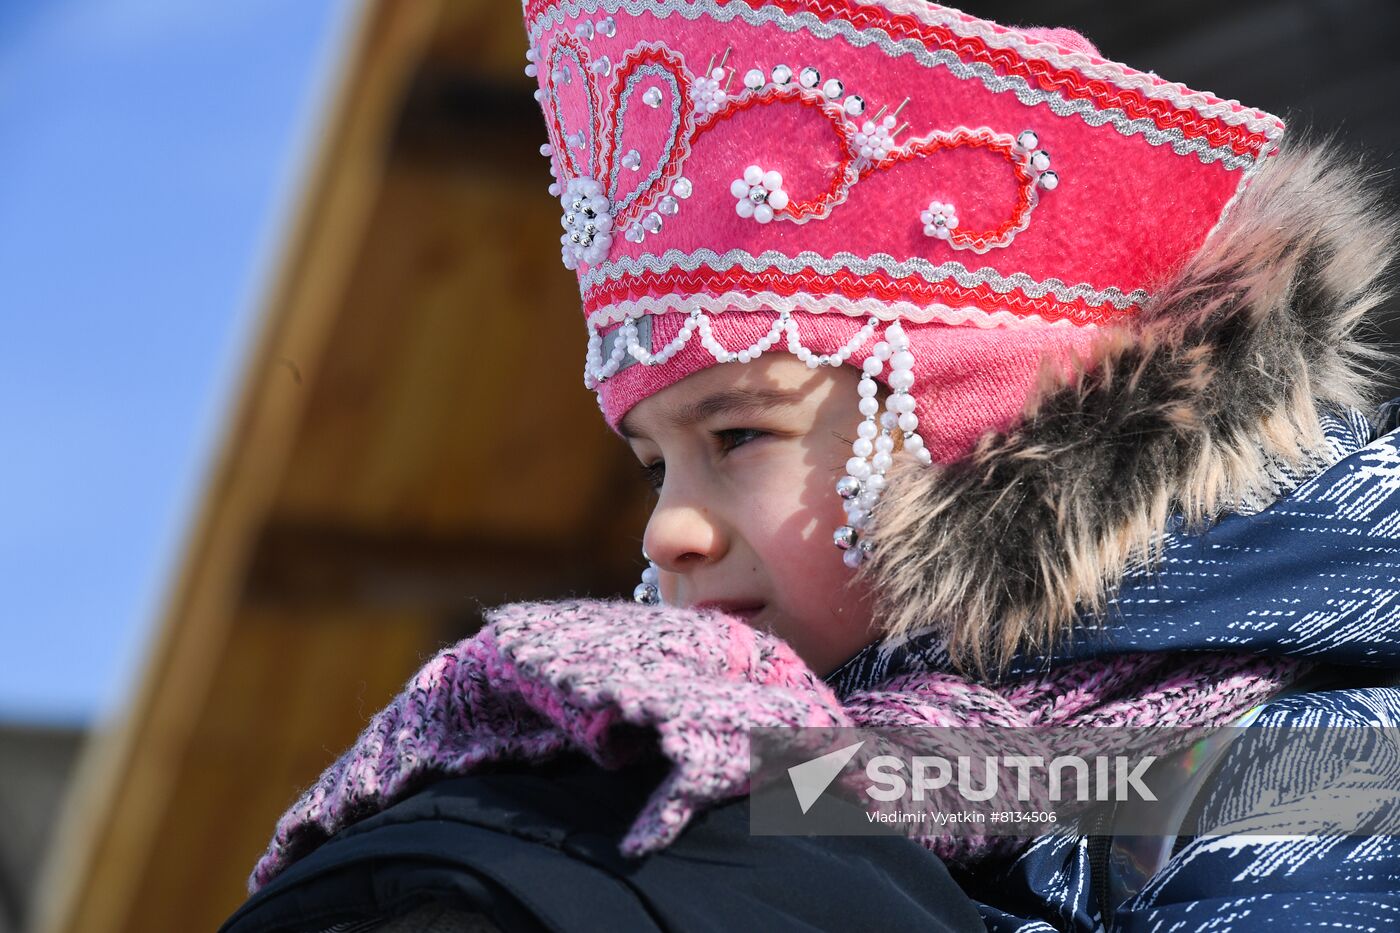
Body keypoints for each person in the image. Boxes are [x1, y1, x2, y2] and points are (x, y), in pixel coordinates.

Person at [221, 1, 1400, 930]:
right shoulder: (828, 774)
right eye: (652, 467)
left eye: (735, 437)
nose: (666, 531)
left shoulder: (1322, 765)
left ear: (967, 442)